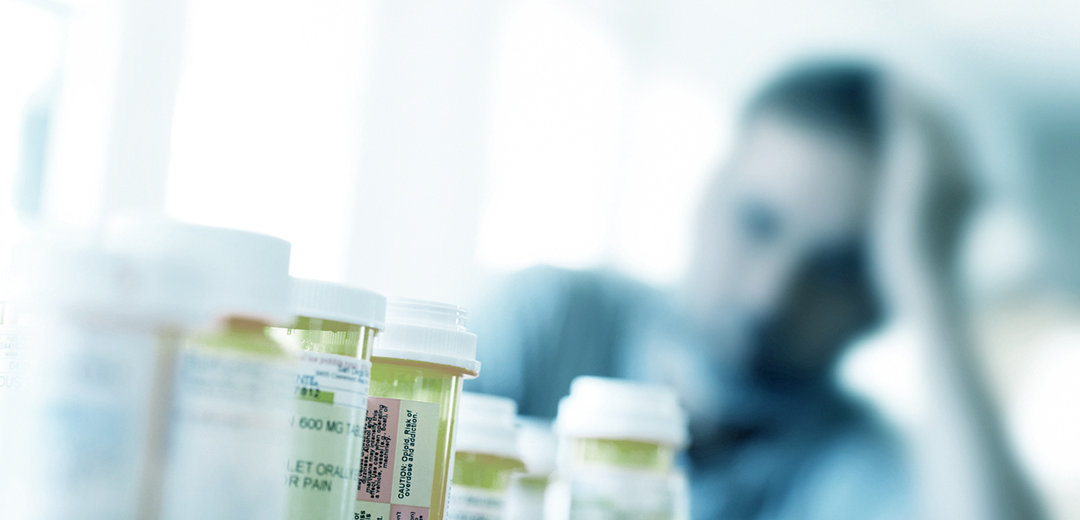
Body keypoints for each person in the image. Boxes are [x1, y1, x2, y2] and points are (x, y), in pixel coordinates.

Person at [467, 60, 1042, 519]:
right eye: (758, 223)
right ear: (705, 196)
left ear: (877, 306)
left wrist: (933, 288)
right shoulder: (549, 322)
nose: (770, 296)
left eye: (835, 270)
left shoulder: (851, 463)